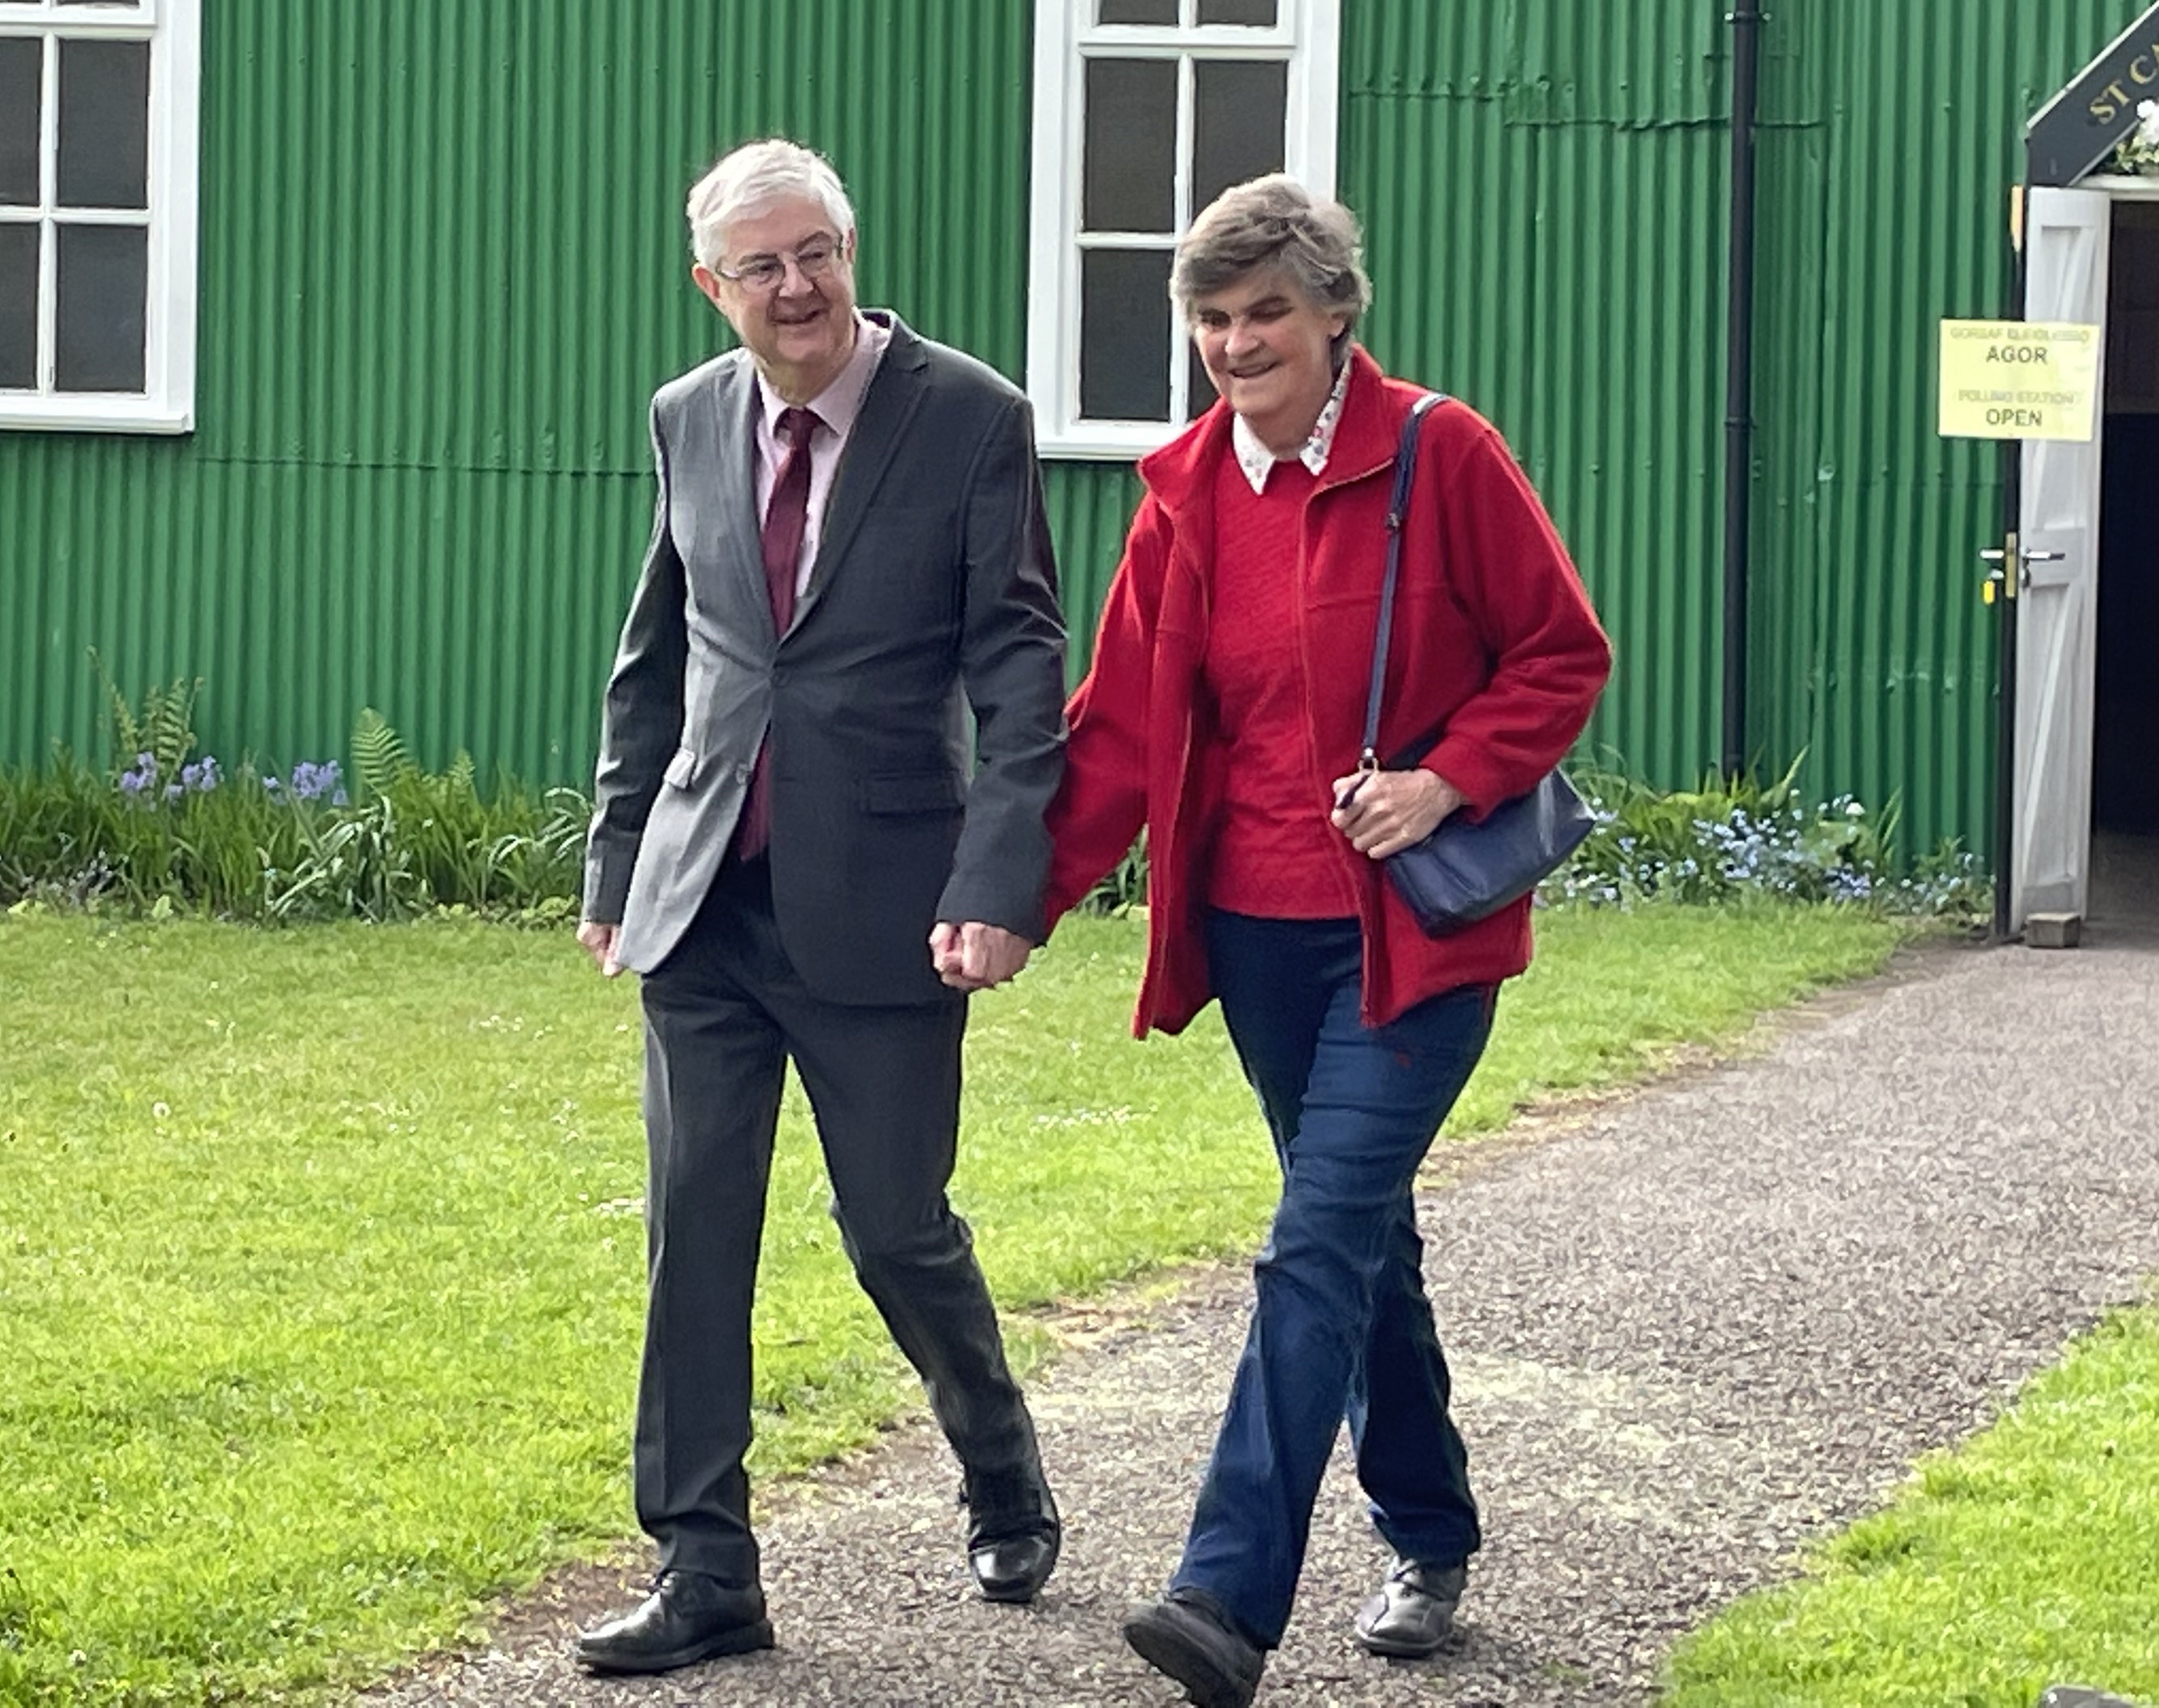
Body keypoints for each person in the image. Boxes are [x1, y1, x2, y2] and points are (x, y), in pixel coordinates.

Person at [1042, 175, 1611, 1708]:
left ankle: (1225, 1598)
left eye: (1265, 313)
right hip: (1263, 941)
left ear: (1336, 308)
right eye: (1212, 321)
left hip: (1414, 942)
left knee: (1312, 1239)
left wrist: (1447, 779)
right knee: (1362, 1243)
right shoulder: (1182, 500)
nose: (1236, 344)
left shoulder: (1444, 451)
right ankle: (1430, 1532)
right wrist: (1005, 901)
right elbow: (1114, 735)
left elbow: (1565, 651)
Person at [572, 137, 1068, 1676]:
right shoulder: (687, 417)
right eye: (762, 266)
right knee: (694, 1232)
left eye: (817, 253)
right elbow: (660, 655)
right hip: (705, 902)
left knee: (897, 1227)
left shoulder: (973, 417)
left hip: (888, 908)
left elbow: (1018, 667)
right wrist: (615, 861)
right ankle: (704, 1562)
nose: (798, 288)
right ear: (710, 285)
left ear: (852, 249)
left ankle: (1000, 1467)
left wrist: (999, 881)